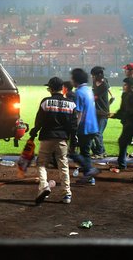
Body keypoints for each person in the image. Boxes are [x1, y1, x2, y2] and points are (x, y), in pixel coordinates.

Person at [29, 77, 77, 205]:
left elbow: (39, 122)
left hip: (46, 137)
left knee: (41, 163)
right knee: (63, 165)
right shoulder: (71, 103)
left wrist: (33, 133)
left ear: (50, 89)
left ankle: (44, 185)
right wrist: (73, 141)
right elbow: (73, 126)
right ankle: (66, 194)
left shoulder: (46, 102)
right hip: (62, 139)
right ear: (62, 88)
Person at [69, 68, 100, 185]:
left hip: (84, 127)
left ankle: (90, 171)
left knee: (73, 152)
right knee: (85, 152)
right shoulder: (88, 90)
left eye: (72, 78)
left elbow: (79, 113)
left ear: (76, 79)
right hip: (93, 126)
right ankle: (90, 177)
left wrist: (74, 130)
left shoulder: (79, 93)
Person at [90, 66, 114, 159]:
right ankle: (99, 151)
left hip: (103, 111)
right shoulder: (95, 82)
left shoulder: (104, 84)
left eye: (93, 75)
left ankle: (100, 152)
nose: (92, 77)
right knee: (92, 132)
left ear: (98, 75)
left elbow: (95, 97)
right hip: (95, 111)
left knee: (98, 133)